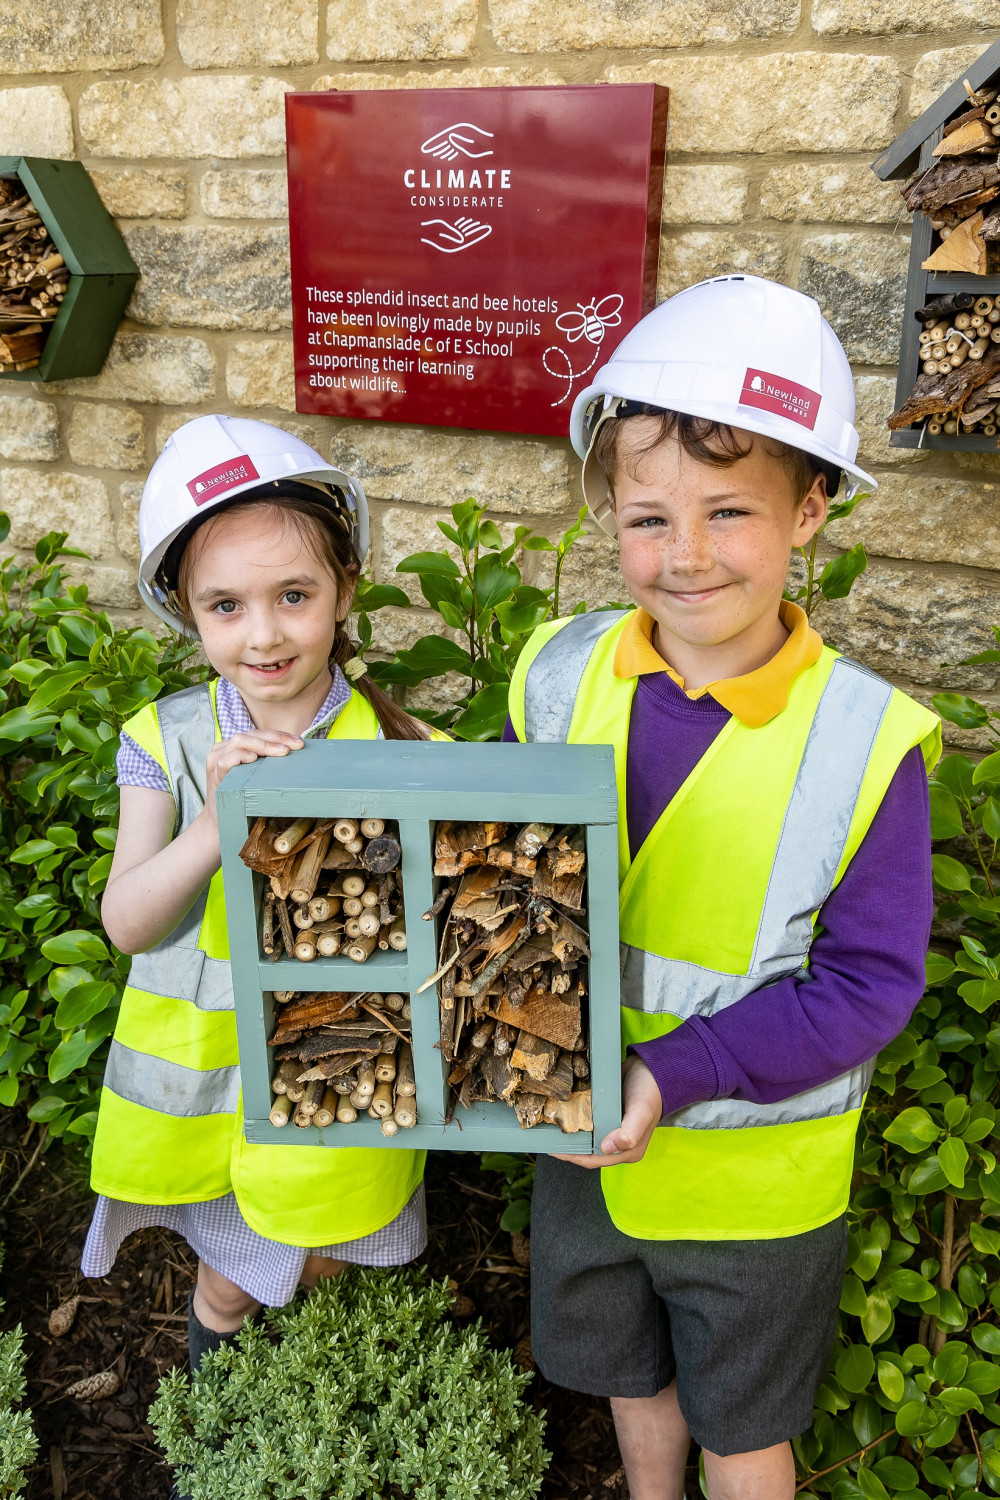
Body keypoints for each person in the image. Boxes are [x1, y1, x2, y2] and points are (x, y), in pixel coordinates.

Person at [505, 276, 941, 1500]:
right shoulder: (561, 671)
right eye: (646, 517)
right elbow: (489, 861)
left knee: (741, 1427)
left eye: (729, 512)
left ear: (810, 511)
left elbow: (865, 986)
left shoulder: (866, 741)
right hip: (580, 1143)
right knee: (629, 1383)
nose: (682, 556)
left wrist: (670, 1070)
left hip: (753, 1184)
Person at [82, 414, 435, 1373]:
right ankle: (219, 1422)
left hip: (342, 1083)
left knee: (320, 1260)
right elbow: (126, 923)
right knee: (232, 1280)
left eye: (294, 595)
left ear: (344, 590)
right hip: (205, 1098)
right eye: (226, 606)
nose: (265, 633)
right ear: (186, 612)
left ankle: (290, 1423)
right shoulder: (165, 740)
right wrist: (217, 822)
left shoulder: (410, 754)